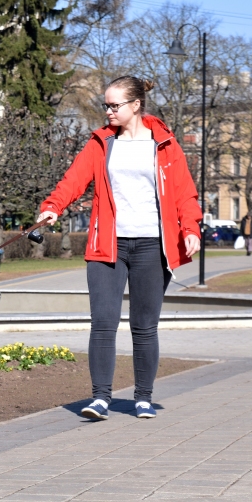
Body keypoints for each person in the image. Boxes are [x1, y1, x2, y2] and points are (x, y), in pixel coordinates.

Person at [38, 76, 202, 421]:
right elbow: (73, 180)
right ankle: (100, 398)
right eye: (107, 105)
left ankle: (143, 397)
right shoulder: (101, 142)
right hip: (107, 246)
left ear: (135, 105)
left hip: (151, 247)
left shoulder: (166, 145)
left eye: (115, 105)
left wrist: (190, 229)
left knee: (144, 326)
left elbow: (184, 192)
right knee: (103, 323)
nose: (109, 111)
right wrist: (53, 206)